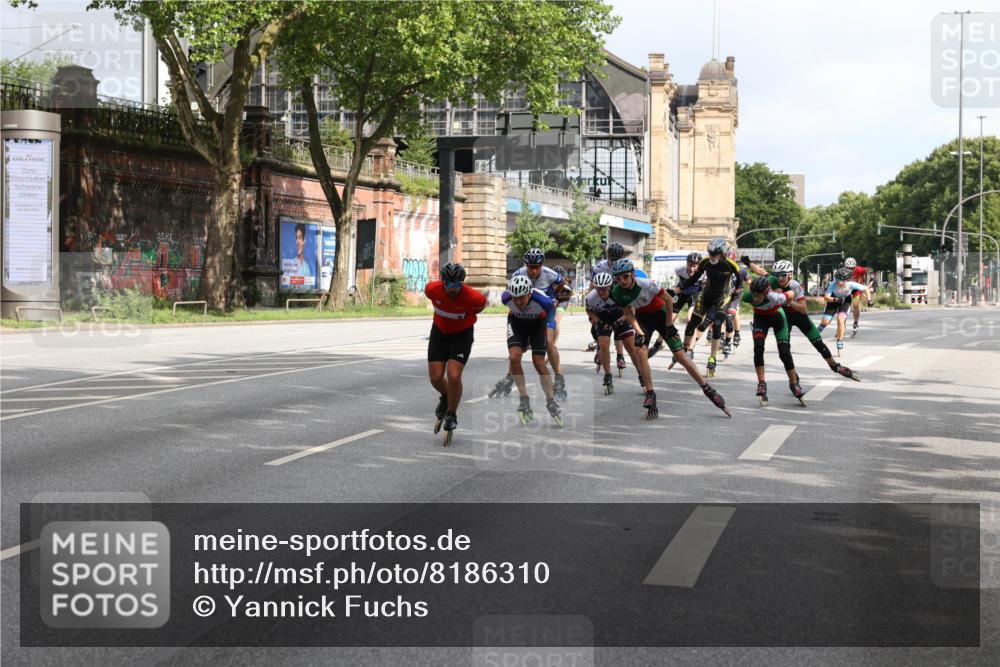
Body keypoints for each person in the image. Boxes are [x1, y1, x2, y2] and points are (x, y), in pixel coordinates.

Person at [610, 258, 731, 419]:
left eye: (625, 276)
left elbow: (668, 299)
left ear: (632, 274)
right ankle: (650, 393)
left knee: (680, 355)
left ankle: (707, 388)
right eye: (618, 279)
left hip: (660, 314)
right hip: (643, 318)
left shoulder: (645, 284)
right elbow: (628, 314)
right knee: (640, 353)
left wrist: (668, 324)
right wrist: (638, 332)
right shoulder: (617, 291)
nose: (622, 281)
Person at [745, 258, 860, 382]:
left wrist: (788, 302)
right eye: (777, 275)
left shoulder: (795, 286)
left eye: (783, 275)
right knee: (784, 351)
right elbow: (760, 271)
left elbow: (804, 309)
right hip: (785, 318)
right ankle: (793, 378)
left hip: (799, 315)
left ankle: (834, 366)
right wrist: (748, 263)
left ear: (790, 275)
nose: (780, 278)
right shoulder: (772, 280)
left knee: (817, 342)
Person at [424, 262, 487, 444]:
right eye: (449, 285)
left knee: (453, 374)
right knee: (436, 377)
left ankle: (451, 413)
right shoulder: (432, 290)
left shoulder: (474, 298)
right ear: (442, 282)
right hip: (439, 332)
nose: (452, 289)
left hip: (462, 335)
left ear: (463, 283)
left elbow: (479, 309)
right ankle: (445, 396)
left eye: (457, 285)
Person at [501, 275, 563, 426]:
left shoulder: (543, 301)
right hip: (517, 325)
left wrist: (548, 340)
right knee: (514, 357)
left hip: (537, 326)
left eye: (521, 298)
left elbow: (550, 321)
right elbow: (512, 304)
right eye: (515, 298)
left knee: (539, 364)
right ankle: (524, 399)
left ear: (529, 294)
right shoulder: (505, 298)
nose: (517, 302)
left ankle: (550, 401)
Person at [682, 238, 743, 378]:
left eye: (715, 254)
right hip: (706, 296)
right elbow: (693, 279)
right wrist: (680, 287)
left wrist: (737, 291)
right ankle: (686, 351)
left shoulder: (730, 264)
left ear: (722, 253)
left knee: (716, 325)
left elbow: (740, 282)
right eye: (710, 254)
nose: (712, 257)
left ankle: (712, 358)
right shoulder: (705, 262)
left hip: (723, 298)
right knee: (692, 323)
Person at [744, 276, 805, 407]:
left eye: (758, 296)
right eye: (753, 295)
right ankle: (761, 383)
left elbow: (792, 293)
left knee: (784, 352)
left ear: (766, 293)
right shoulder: (748, 296)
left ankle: (794, 383)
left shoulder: (775, 297)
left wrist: (785, 294)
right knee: (758, 348)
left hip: (777, 317)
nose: (755, 298)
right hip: (760, 319)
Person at [584, 271, 644, 396]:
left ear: (610, 287)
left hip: (621, 317)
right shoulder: (591, 297)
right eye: (598, 289)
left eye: (604, 289)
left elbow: (631, 309)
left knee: (630, 347)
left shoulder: (619, 293)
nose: (601, 292)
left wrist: (621, 320)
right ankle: (608, 375)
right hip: (604, 319)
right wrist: (597, 320)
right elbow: (589, 311)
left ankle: (641, 373)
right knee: (604, 344)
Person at [588, 242, 628, 374]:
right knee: (597, 328)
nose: (614, 262)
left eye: (617, 260)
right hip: (601, 300)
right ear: (608, 256)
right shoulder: (599, 267)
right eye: (612, 259)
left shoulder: (625, 266)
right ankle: (600, 348)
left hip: (618, 300)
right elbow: (592, 287)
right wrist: (590, 303)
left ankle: (620, 356)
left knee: (619, 329)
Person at [819, 267, 870, 354]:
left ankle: (840, 340)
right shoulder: (833, 284)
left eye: (841, 280)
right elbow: (826, 297)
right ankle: (817, 332)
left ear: (847, 280)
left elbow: (866, 288)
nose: (839, 282)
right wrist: (835, 299)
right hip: (833, 300)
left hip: (845, 301)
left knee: (840, 319)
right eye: (837, 279)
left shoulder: (851, 284)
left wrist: (869, 300)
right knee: (825, 322)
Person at [844, 257, 867, 334]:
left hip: (856, 289)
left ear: (855, 267)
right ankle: (842, 324)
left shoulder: (859, 269)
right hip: (847, 289)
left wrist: (862, 282)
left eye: (852, 268)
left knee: (855, 305)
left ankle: (856, 322)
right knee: (843, 306)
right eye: (848, 268)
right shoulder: (842, 271)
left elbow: (866, 270)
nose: (850, 270)